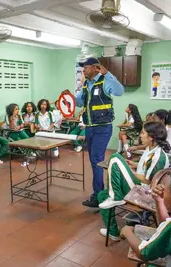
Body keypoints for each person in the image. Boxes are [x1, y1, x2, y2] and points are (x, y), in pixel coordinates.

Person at [64, 57, 125, 208]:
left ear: (94, 68)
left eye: (85, 68)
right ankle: (101, 192)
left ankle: (98, 195)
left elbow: (120, 91)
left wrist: (107, 74)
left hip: (103, 128)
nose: (83, 70)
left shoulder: (104, 81)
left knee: (96, 160)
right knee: (94, 160)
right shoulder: (86, 84)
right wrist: (69, 97)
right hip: (90, 127)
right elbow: (79, 102)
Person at [98, 122, 170, 240]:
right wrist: (133, 164)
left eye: (143, 133)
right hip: (138, 186)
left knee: (115, 158)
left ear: (151, 137)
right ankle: (113, 232)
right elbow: (145, 167)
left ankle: (116, 197)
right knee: (102, 195)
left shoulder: (158, 157)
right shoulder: (150, 149)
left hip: (144, 193)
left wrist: (129, 171)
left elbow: (148, 181)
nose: (140, 135)